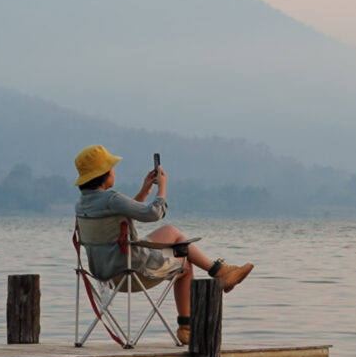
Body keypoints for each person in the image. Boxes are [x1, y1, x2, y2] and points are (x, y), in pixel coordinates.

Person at [74, 144, 253, 345]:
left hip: (104, 273)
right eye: (111, 168)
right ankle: (190, 319)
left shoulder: (82, 203)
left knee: (172, 232)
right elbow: (153, 214)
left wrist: (144, 190)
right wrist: (162, 189)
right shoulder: (111, 198)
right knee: (184, 265)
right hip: (132, 270)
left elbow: (123, 214)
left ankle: (219, 273)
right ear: (103, 175)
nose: (114, 171)